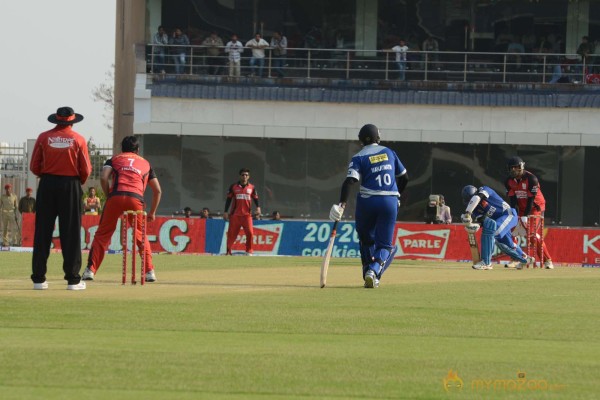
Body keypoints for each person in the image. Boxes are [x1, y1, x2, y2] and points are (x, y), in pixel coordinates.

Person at [329, 124, 408, 288]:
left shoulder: (358, 157)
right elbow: (404, 177)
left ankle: (367, 272)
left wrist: (341, 204)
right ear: (378, 137)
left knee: (365, 240)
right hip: (389, 202)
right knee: (385, 245)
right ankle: (374, 271)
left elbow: (350, 181)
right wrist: (397, 195)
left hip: (367, 202)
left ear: (361, 140)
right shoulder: (389, 152)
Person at [82, 136, 161, 282]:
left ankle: (90, 271)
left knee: (102, 234)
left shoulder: (114, 159)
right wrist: (152, 212)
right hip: (136, 199)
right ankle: (149, 272)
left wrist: (109, 196)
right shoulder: (146, 163)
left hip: (116, 195)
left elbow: (104, 178)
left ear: (122, 148)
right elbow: (157, 190)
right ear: (137, 150)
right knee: (140, 235)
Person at [30, 107, 92, 290]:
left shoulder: (43, 137)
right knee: (71, 232)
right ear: (72, 121)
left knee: (42, 231)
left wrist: (48, 176)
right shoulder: (78, 139)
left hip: (47, 184)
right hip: (70, 185)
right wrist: (74, 181)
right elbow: (86, 169)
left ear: (56, 120)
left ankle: (39, 279)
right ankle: (73, 279)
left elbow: (34, 166)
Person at [460, 185, 534, 270]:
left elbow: (477, 198)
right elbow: (483, 221)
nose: (470, 203)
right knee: (507, 243)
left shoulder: (485, 190)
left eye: (470, 201)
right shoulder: (475, 209)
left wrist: (467, 213)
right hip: (497, 222)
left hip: (508, 214)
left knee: (491, 232)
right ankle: (525, 259)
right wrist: (475, 226)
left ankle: (486, 262)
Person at [504, 156, 554, 269]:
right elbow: (512, 201)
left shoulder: (532, 179)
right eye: (511, 168)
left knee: (531, 235)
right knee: (512, 232)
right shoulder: (508, 181)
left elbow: (531, 200)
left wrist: (525, 216)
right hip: (521, 208)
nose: (513, 170)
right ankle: (516, 258)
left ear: (521, 167)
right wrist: (514, 215)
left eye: (516, 167)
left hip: (535, 208)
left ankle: (548, 261)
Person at [223, 168, 261, 255]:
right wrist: (225, 211)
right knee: (231, 235)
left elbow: (255, 198)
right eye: (243, 175)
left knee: (250, 233)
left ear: (249, 176)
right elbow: (228, 199)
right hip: (235, 215)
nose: (244, 176)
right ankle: (228, 252)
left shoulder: (252, 187)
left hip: (247, 215)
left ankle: (249, 251)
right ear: (240, 176)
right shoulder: (233, 186)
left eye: (246, 175)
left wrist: (258, 207)